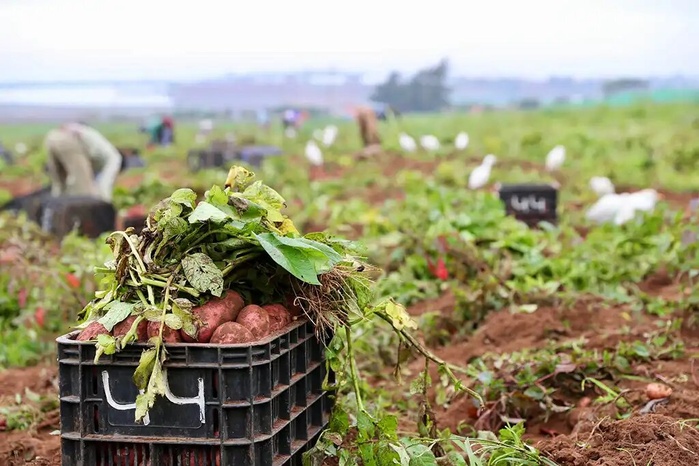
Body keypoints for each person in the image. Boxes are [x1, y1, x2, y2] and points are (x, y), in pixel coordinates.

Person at [44, 122, 122, 202]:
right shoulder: (114, 160)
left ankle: (53, 208)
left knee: (59, 185)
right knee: (84, 191)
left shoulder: (102, 153)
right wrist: (106, 205)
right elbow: (104, 185)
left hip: (52, 137)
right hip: (70, 140)